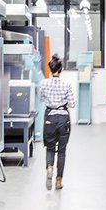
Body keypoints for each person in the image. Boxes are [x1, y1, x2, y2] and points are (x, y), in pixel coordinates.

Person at [40, 55, 76, 189]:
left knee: (50, 148)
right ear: (61, 70)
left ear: (50, 69)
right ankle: (59, 181)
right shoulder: (66, 84)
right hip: (63, 119)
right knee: (61, 151)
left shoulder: (44, 83)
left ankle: (49, 167)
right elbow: (72, 104)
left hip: (49, 118)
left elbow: (41, 98)